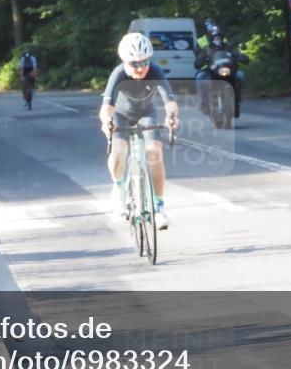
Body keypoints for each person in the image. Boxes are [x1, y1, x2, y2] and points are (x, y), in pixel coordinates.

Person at [99, 33, 179, 230]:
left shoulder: (155, 71)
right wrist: (107, 121)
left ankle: (158, 207)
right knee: (119, 152)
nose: (141, 68)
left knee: (155, 153)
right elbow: (106, 107)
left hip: (146, 113)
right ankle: (119, 189)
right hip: (121, 114)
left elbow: (170, 101)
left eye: (145, 62)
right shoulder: (118, 74)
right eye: (134, 64)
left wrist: (172, 117)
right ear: (125, 62)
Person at [194, 28, 246, 114]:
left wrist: (241, 57)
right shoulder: (207, 48)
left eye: (219, 37)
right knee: (200, 78)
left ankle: (237, 97)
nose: (217, 38)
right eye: (215, 37)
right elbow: (199, 59)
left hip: (227, 69)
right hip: (212, 71)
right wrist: (200, 60)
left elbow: (237, 54)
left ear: (222, 37)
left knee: (240, 75)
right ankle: (204, 102)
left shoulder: (228, 46)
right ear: (211, 38)